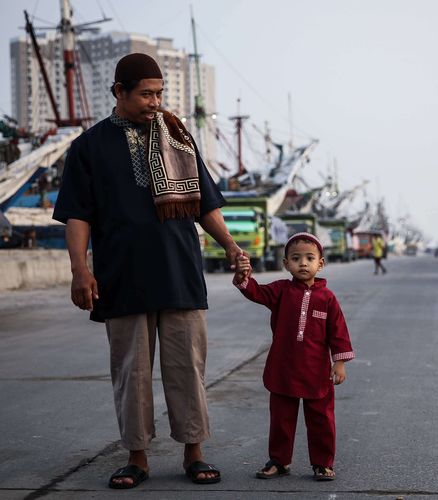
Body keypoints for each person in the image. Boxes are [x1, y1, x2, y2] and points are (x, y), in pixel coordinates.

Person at [52, 53, 245, 489]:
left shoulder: (179, 136)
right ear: (119, 92)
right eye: (146, 94)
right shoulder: (89, 147)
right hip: (123, 275)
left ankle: (194, 452)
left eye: (159, 93)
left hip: (180, 273)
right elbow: (78, 216)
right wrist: (80, 270)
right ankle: (136, 458)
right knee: (131, 371)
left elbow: (205, 206)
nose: (155, 102)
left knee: (187, 368)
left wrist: (232, 246)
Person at [232, 232, 355, 481]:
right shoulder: (280, 291)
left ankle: (322, 463)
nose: (303, 263)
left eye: (310, 258)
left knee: (321, 420)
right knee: (281, 419)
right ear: (286, 264)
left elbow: (338, 333)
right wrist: (244, 277)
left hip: (317, 372)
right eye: (296, 258)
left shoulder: (327, 298)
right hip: (283, 368)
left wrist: (338, 363)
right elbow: (255, 292)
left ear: (320, 263)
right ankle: (279, 461)